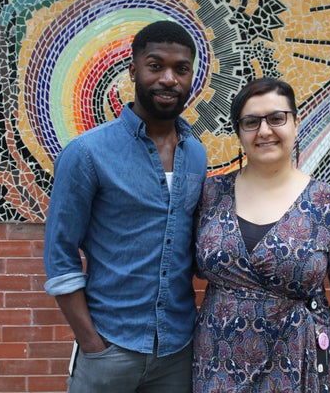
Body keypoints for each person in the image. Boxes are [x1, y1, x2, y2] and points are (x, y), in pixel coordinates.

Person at [43, 20, 207, 393]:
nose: (169, 79)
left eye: (181, 69)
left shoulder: (196, 154)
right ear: (133, 70)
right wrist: (92, 345)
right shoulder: (87, 153)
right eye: (155, 65)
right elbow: (59, 254)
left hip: (177, 351)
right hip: (109, 348)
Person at [192, 77, 330, 393]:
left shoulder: (328, 203)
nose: (264, 131)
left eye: (276, 118)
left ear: (296, 123)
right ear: (239, 132)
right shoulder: (211, 194)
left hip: (297, 363)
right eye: (251, 122)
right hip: (215, 366)